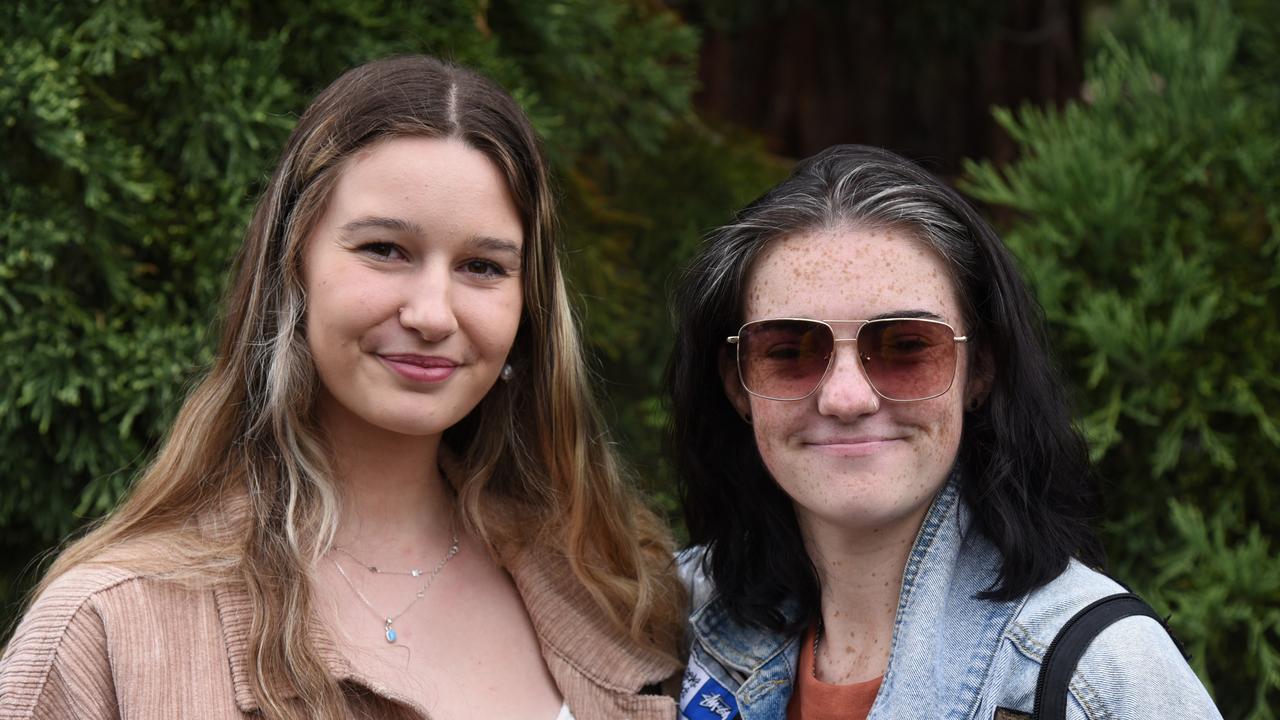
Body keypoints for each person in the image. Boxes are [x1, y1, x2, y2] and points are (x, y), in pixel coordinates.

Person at [0, 55, 684, 720]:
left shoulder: (616, 594)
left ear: (527, 305)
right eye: (385, 250)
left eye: (482, 266)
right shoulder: (110, 628)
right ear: (291, 265)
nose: (432, 314)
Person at [668, 144, 1221, 719]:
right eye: (789, 351)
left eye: (906, 346)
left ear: (979, 368)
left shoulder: (1102, 672)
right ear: (737, 384)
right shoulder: (664, 623)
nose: (846, 397)